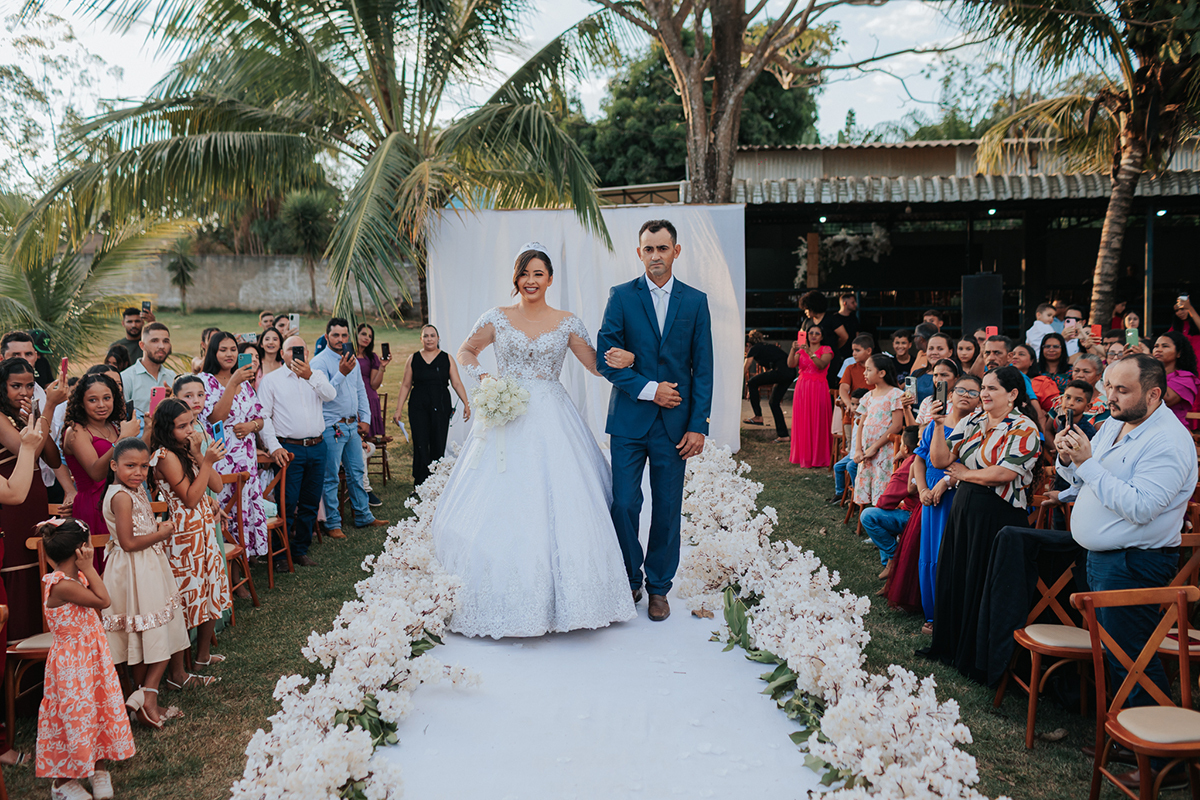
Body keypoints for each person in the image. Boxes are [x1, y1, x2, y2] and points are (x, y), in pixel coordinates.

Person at [433, 241, 638, 636]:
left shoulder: (567, 321)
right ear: (516, 278)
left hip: (553, 414)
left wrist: (625, 359)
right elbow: (466, 350)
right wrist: (486, 379)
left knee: (565, 499)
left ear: (549, 279)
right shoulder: (497, 316)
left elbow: (595, 365)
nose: (531, 281)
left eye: (538, 274)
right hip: (507, 416)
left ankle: (573, 598)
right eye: (524, 273)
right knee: (503, 499)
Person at [1055, 354, 1197, 790]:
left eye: (1122, 389)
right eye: (1109, 386)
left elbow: (1141, 506)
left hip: (1136, 561)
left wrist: (1087, 464)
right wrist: (1068, 460)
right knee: (1116, 656)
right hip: (1104, 557)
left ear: (1154, 394)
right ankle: (1128, 738)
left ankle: (1165, 764)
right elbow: (1084, 480)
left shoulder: (1170, 443)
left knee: (1134, 657)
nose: (1110, 397)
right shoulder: (1116, 422)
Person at [598, 220, 714, 624]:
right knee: (625, 504)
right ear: (639, 252)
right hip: (629, 421)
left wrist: (698, 424)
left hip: (676, 426)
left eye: (662, 249)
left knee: (667, 508)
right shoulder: (621, 297)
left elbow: (703, 368)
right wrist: (649, 388)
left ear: (676, 252)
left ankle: (659, 588)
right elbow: (604, 358)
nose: (655, 256)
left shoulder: (696, 302)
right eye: (648, 249)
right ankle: (630, 576)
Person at [925, 366, 1041, 683]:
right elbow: (940, 461)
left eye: (992, 389)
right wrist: (937, 425)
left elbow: (1003, 474)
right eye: (983, 388)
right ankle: (951, 647)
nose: (984, 394)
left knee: (983, 581)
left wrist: (963, 474)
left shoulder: (1023, 428)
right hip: (965, 509)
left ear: (1013, 394)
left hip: (999, 514)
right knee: (957, 575)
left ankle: (976, 658)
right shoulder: (972, 421)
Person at [34, 519, 135, 800]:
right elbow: (104, 600)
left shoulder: (74, 579)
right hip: (72, 667)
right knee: (75, 719)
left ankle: (98, 768)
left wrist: (85, 571)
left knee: (97, 713)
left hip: (90, 659)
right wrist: (90, 568)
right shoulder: (62, 586)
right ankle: (62, 782)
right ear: (82, 550)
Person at [101, 437, 189, 729]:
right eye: (130, 466)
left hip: (147, 566)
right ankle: (147, 695)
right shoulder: (121, 496)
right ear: (114, 465)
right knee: (153, 630)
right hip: (134, 569)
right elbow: (127, 542)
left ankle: (143, 697)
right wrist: (162, 534)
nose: (138, 472)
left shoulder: (133, 490)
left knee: (148, 632)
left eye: (143, 466)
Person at [149, 399, 232, 685]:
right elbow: (190, 498)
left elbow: (217, 486)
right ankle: (177, 673)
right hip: (182, 537)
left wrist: (198, 454)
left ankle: (203, 656)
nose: (189, 430)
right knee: (185, 599)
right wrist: (206, 461)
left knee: (210, 588)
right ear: (166, 428)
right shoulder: (164, 456)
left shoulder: (187, 449)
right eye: (181, 426)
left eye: (191, 423)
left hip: (204, 529)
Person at [201, 331, 286, 557]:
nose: (229, 354)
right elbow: (215, 418)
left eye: (233, 349)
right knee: (227, 510)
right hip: (221, 459)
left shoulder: (247, 384)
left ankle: (245, 559)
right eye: (223, 349)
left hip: (246, 459)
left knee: (244, 508)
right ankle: (230, 568)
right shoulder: (205, 381)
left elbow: (259, 417)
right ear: (213, 352)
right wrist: (232, 383)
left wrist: (251, 427)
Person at [0, 357, 64, 642]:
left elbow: (51, 456)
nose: (24, 392)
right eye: (15, 386)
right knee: (19, 572)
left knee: (38, 569)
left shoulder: (25, 415)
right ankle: (18, 652)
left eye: (29, 385)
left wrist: (38, 415)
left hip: (35, 506)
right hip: (12, 509)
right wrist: (49, 408)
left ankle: (42, 659)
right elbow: (28, 450)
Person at [913, 373, 981, 634]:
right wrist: (922, 488)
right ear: (949, 394)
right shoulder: (934, 425)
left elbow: (969, 465)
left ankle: (949, 612)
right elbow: (919, 458)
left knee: (949, 550)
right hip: (930, 495)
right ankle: (931, 613)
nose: (965, 395)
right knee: (930, 553)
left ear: (980, 400)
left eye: (972, 392)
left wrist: (945, 482)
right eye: (961, 390)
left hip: (956, 493)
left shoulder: (977, 428)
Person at [257, 336, 334, 567]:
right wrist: (275, 447)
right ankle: (281, 554)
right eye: (292, 350)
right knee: (287, 502)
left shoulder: (316, 376)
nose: (296, 354)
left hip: (318, 447)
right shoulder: (271, 381)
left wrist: (309, 376)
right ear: (283, 353)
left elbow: (331, 395)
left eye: (301, 350)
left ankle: (300, 549)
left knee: (311, 501)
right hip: (289, 448)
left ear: (308, 353)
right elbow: (264, 416)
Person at [311, 319, 388, 539]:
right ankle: (332, 522)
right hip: (331, 426)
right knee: (331, 476)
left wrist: (366, 417)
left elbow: (360, 389)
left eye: (344, 336)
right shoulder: (319, 362)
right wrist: (342, 372)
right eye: (336, 335)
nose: (341, 340)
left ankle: (363, 515)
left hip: (352, 425)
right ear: (327, 337)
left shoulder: (351, 359)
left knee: (357, 471)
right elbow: (325, 393)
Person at [62, 373, 141, 573]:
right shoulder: (76, 431)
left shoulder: (113, 426)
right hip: (94, 505)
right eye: (93, 400)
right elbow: (96, 472)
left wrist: (146, 431)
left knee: (124, 564)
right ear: (81, 402)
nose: (101, 405)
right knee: (104, 566)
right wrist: (122, 439)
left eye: (107, 398)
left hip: (121, 500)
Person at [393, 325, 470, 488]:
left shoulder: (446, 358)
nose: (429, 339)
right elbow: (406, 385)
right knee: (420, 441)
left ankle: (436, 481)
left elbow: (456, 382)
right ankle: (420, 483)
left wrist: (466, 404)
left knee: (438, 440)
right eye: (426, 336)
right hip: (418, 405)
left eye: (432, 335)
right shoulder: (413, 358)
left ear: (438, 338)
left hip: (441, 404)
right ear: (421, 339)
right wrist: (398, 409)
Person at [861, 425, 919, 580]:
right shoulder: (928, 457)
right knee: (887, 515)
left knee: (869, 515)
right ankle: (889, 563)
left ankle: (894, 557)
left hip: (915, 518)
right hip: (924, 513)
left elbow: (885, 502)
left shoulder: (911, 465)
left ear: (905, 448)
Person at [852, 354, 904, 507]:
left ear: (881, 373)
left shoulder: (895, 395)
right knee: (867, 479)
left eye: (868, 370)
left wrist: (875, 447)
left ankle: (878, 513)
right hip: (866, 450)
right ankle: (868, 515)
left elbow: (896, 426)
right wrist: (858, 450)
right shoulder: (868, 396)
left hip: (884, 450)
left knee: (882, 481)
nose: (864, 373)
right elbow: (861, 424)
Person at [787, 324, 833, 466]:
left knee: (818, 418)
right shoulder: (801, 350)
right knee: (803, 419)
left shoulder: (826, 350)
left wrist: (809, 352)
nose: (813, 335)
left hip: (818, 387)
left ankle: (819, 456)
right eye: (811, 333)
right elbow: (791, 364)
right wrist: (793, 349)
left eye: (817, 333)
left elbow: (821, 365)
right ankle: (804, 456)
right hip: (802, 387)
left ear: (822, 336)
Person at [121, 322, 177, 433]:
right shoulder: (126, 378)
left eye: (165, 341)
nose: (161, 346)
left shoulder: (172, 376)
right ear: (142, 345)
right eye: (154, 341)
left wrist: (173, 398)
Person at [743, 330, 795, 442]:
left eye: (745, 349)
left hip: (782, 371)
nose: (745, 352)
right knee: (773, 403)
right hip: (789, 372)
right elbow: (766, 375)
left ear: (748, 345)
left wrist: (739, 382)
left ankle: (758, 416)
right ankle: (784, 435)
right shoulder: (765, 348)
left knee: (752, 382)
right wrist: (752, 391)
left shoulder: (754, 348)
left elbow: (746, 365)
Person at [800, 291, 850, 390]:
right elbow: (801, 339)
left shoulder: (832, 319)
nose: (805, 311)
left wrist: (834, 348)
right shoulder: (807, 322)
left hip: (829, 359)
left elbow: (844, 337)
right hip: (812, 360)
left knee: (828, 385)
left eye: (807, 308)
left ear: (814, 307)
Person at [1152, 330, 1198, 428]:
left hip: (1172, 429)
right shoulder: (1146, 372)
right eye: (1156, 346)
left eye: (1165, 346)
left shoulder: (1186, 378)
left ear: (1179, 353)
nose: (1158, 350)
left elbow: (1166, 399)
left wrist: (1150, 367)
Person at [355, 323, 392, 442]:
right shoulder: (347, 354)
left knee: (369, 438)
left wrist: (382, 367)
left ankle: (366, 461)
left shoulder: (372, 357)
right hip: (352, 398)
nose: (367, 338)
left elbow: (374, 385)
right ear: (356, 334)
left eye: (370, 336)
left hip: (369, 398)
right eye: (363, 334)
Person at [830, 389, 868, 503]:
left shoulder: (866, 420)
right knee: (837, 467)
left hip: (862, 454)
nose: (855, 407)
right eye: (853, 404)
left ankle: (856, 495)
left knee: (851, 466)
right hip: (853, 453)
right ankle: (840, 494)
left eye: (858, 404)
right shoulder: (855, 417)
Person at [904, 358, 959, 432]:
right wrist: (906, 408)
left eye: (944, 375)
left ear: (956, 378)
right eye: (935, 375)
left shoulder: (961, 401)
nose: (938, 379)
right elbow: (915, 432)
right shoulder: (928, 401)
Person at [838, 334, 874, 430]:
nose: (854, 353)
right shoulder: (851, 368)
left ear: (869, 351)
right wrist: (848, 404)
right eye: (853, 350)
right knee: (851, 444)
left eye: (857, 350)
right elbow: (843, 389)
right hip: (853, 414)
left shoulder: (878, 369)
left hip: (873, 414)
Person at [1070, 354, 1110, 425]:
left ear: (1098, 376)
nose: (1080, 375)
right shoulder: (1061, 399)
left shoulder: (1104, 404)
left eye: (1086, 372)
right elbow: (1048, 430)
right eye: (1076, 370)